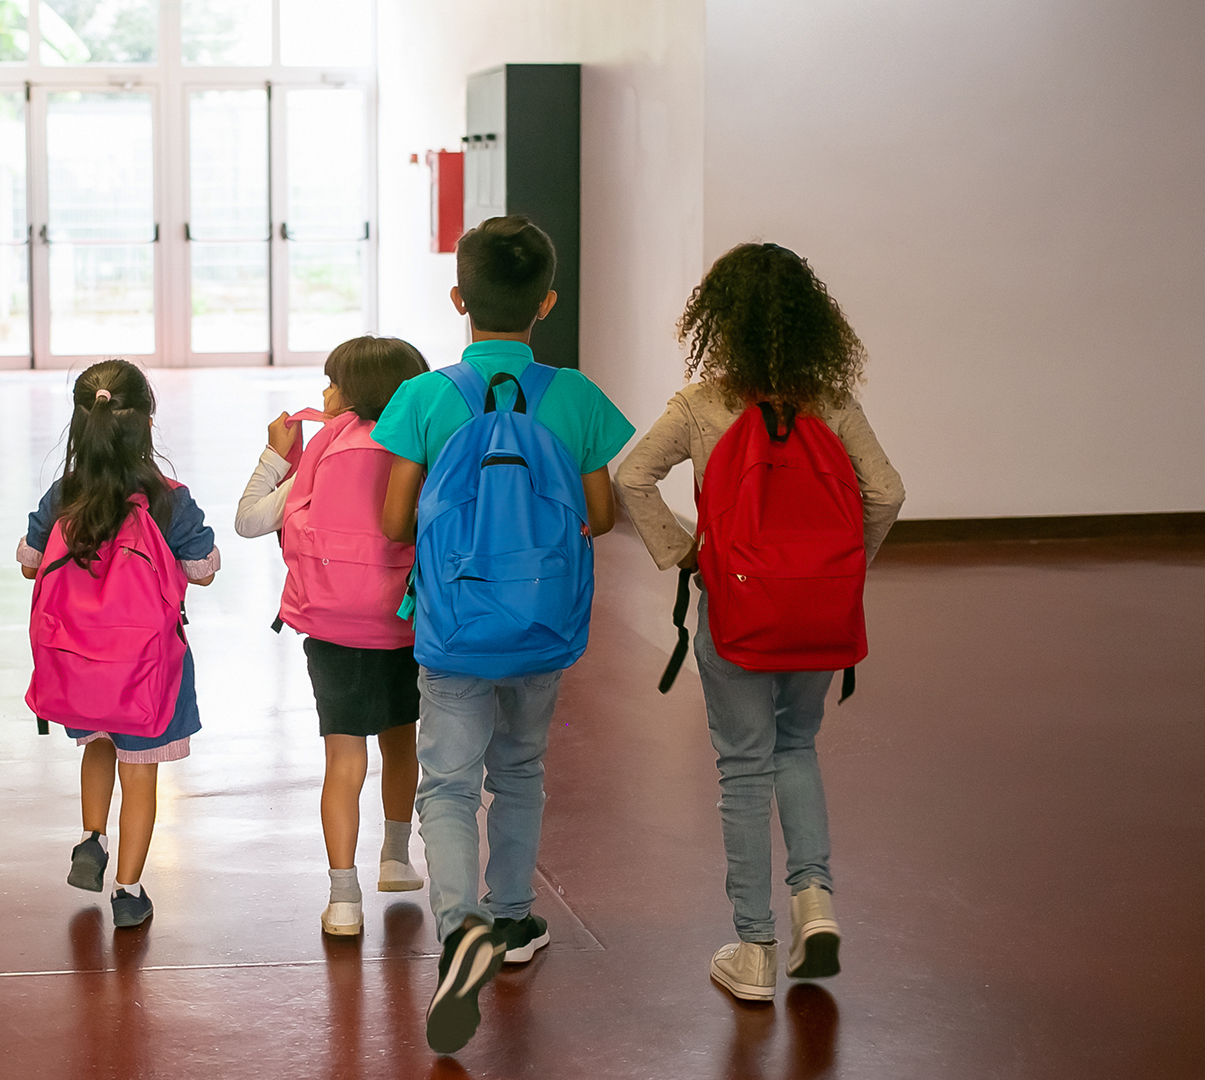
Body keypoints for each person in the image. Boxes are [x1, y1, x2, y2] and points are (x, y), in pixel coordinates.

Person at [613, 242, 904, 1000]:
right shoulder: (832, 403)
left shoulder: (701, 404)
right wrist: (841, 572)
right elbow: (887, 492)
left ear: (721, 322)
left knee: (743, 767)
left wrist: (685, 556)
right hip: (816, 616)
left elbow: (632, 477)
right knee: (796, 746)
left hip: (737, 612)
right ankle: (815, 901)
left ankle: (754, 949)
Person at [373, 216, 635, 1053]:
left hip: (452, 623)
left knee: (446, 784)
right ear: (546, 303)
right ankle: (516, 920)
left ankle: (462, 933)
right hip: (542, 623)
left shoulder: (425, 395)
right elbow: (601, 512)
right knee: (518, 767)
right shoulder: (576, 393)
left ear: (459, 298)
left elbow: (391, 519)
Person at [234, 335, 432, 937]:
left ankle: (343, 899)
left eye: (332, 383)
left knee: (343, 760)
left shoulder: (326, 444)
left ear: (353, 394)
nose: (323, 393)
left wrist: (275, 455)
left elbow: (248, 521)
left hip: (331, 623)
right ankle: (396, 860)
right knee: (402, 743)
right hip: (403, 619)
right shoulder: (417, 445)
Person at [19, 359, 220, 930]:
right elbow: (202, 569)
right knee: (141, 774)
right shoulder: (169, 500)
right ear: (146, 424)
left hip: (79, 665)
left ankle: (90, 837)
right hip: (147, 669)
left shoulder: (64, 494)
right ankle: (128, 892)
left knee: (98, 743)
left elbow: (32, 563)